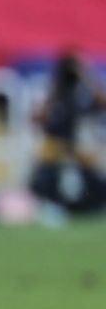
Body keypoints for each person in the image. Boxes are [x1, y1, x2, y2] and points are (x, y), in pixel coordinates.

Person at [29, 51, 106, 220]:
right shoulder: (53, 91)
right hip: (57, 148)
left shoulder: (84, 92)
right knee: (46, 176)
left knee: (92, 178)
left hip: (80, 148)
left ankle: (89, 207)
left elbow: (102, 102)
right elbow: (37, 119)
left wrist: (87, 74)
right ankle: (53, 207)